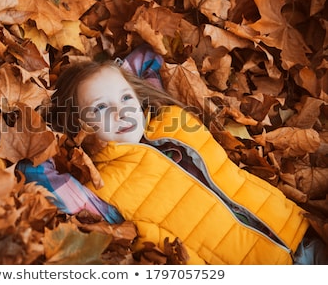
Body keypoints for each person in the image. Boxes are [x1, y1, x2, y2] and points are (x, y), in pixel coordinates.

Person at [18, 46, 327, 264]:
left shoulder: (172, 122)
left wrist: (111, 77)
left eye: (126, 97)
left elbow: (147, 59)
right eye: (99, 107)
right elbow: (37, 167)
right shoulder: (101, 186)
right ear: (78, 125)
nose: (120, 109)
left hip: (301, 230)